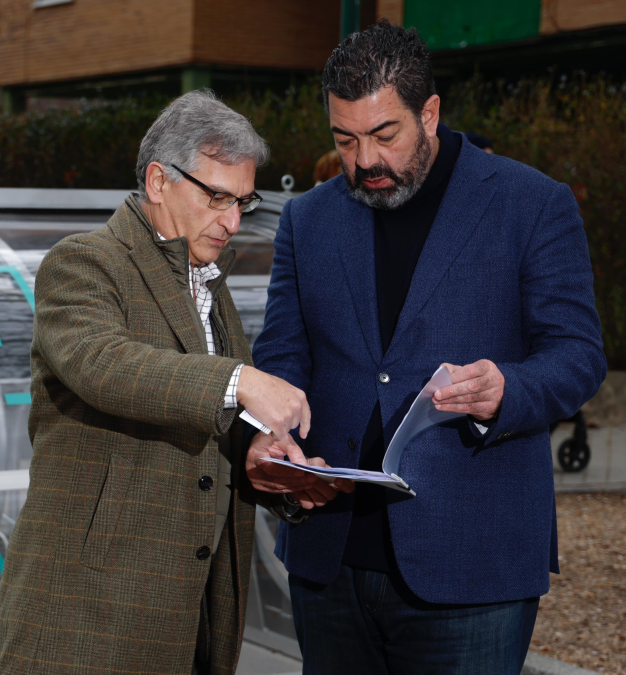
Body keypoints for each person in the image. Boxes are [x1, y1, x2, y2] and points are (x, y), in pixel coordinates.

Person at [246, 20, 607, 674]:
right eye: (344, 139)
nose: (364, 161)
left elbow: (579, 356)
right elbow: (282, 358)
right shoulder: (308, 218)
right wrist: (266, 434)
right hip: (329, 560)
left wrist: (507, 389)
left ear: (430, 113)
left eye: (385, 135)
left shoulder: (533, 204)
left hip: (474, 568)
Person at [0, 90, 348, 675]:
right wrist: (240, 380)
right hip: (85, 622)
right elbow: (102, 363)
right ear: (158, 181)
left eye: (244, 202)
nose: (233, 221)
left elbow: (203, 423)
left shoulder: (208, 283)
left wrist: (263, 457)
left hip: (192, 623)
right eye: (216, 197)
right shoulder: (83, 262)